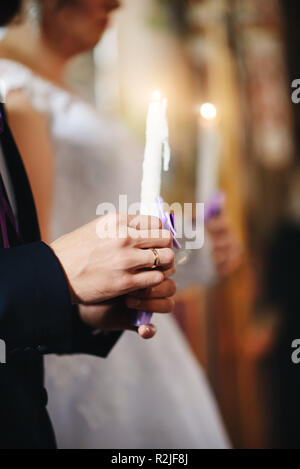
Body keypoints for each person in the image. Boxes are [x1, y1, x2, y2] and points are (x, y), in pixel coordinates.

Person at [0, 0, 240, 448]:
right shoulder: (16, 94)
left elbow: (109, 225)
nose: (116, 3)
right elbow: (40, 248)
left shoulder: (67, 90)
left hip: (106, 325)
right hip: (69, 356)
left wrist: (184, 243)